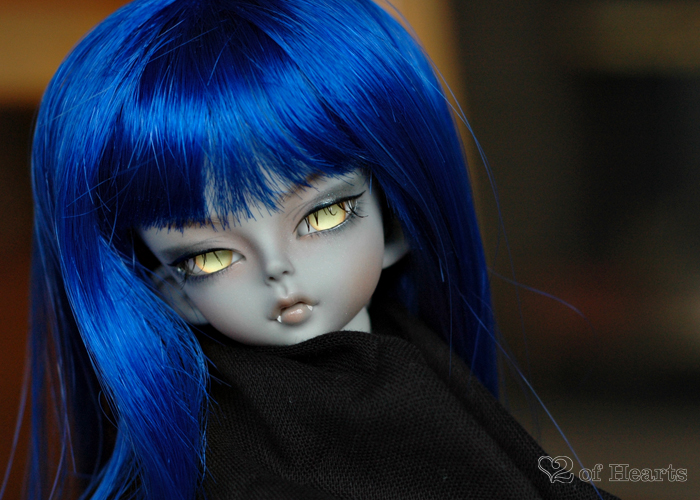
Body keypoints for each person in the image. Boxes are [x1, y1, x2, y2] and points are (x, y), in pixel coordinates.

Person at [24, 0, 618, 498]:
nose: (278, 269)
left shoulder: (405, 354)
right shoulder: (248, 453)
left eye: (325, 214)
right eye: (209, 257)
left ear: (395, 226)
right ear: (172, 293)